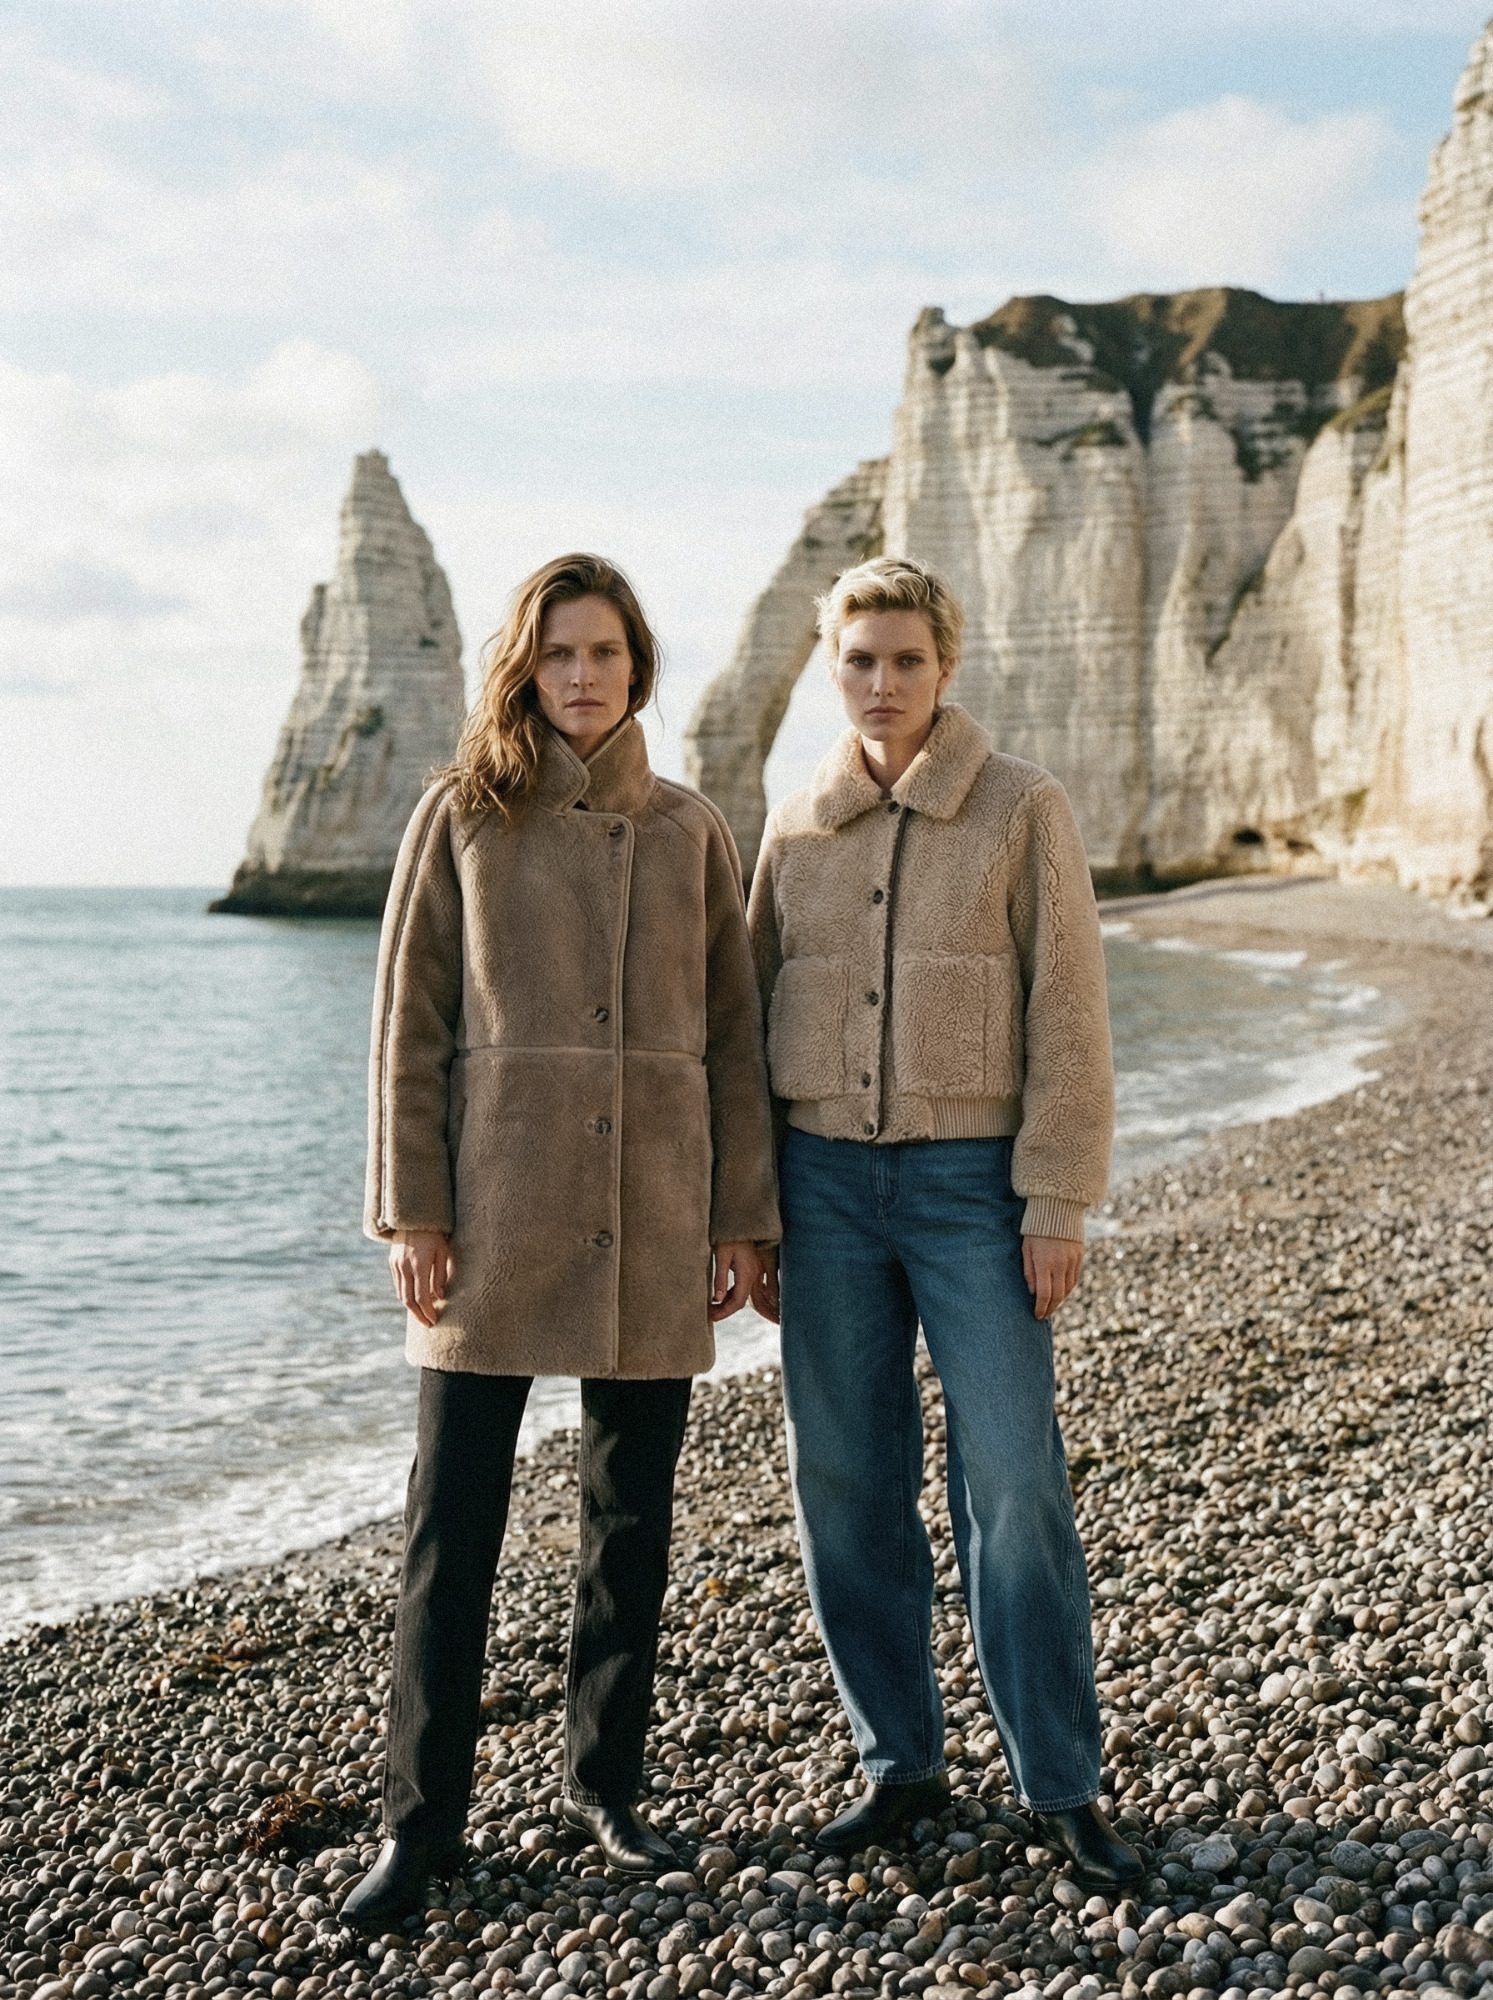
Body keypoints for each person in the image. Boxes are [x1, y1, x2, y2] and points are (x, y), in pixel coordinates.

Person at [343, 554, 780, 1927]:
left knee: (628, 1521)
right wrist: (412, 1208)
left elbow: (734, 1037)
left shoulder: (691, 829)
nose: (581, 676)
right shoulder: (461, 815)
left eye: (603, 652)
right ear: (524, 671)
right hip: (491, 1214)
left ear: (637, 665)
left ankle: (607, 1790)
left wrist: (742, 1216)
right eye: (557, 654)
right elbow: (408, 1027)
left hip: (652, 1211)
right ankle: (420, 1822)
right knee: (450, 1525)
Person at [746, 555, 1141, 1889]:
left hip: (975, 1191)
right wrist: (753, 1211)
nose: (882, 683)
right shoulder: (795, 827)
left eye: (906, 659)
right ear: (832, 666)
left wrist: (1056, 1197)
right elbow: (747, 1023)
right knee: (846, 1483)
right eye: (859, 659)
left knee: (1014, 1483)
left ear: (945, 666)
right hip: (822, 1192)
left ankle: (1060, 1784)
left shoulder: (1022, 806)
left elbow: (1069, 1013)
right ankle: (898, 1767)